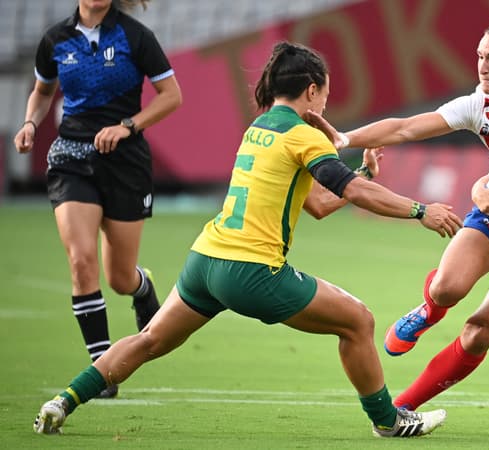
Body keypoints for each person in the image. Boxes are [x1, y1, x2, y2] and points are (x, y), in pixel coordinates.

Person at [33, 40, 462, 438]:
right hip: (251, 270)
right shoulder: (303, 135)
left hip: (205, 260)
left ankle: (63, 399)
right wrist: (421, 210)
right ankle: (388, 422)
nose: (326, 100)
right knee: (359, 322)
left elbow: (317, 204)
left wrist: (365, 171)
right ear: (311, 90)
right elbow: (350, 191)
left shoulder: (259, 127)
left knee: (148, 342)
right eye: (325, 91)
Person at [305, 13, 489, 411]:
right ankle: (428, 310)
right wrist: (346, 138)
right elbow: (407, 128)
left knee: (481, 332)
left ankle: (404, 407)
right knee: (447, 288)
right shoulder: (478, 104)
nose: (482, 66)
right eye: (480, 56)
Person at [13, 0, 182, 399]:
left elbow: (171, 95)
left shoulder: (136, 36)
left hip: (124, 163)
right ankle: (101, 367)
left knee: (119, 277)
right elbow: (42, 91)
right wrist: (30, 123)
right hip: (72, 157)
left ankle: (142, 288)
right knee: (80, 259)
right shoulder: (55, 39)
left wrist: (128, 126)